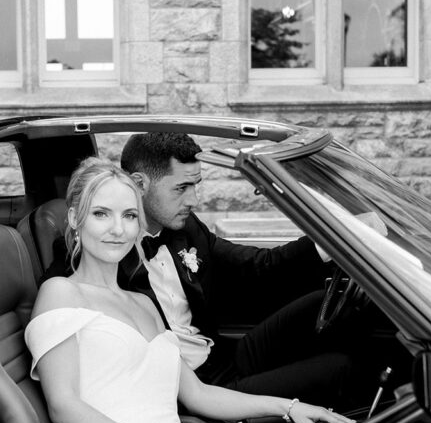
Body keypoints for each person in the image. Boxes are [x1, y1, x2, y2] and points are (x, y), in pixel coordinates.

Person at [25, 157, 356, 423]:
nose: (118, 229)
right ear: (74, 220)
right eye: (101, 214)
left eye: (129, 216)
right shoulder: (61, 292)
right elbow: (64, 406)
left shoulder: (144, 304)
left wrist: (289, 407)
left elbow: (197, 394)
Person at [120, 131, 363, 408]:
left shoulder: (185, 229)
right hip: (196, 389)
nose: (193, 200)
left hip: (221, 358)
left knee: (328, 305)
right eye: (181, 188)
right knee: (339, 368)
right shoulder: (107, 257)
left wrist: (336, 239)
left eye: (195, 185)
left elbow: (256, 265)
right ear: (139, 184)